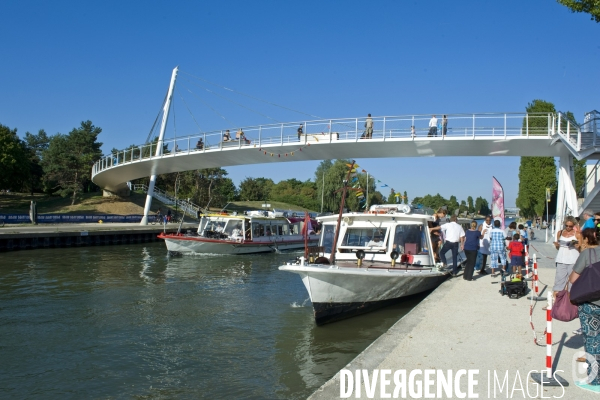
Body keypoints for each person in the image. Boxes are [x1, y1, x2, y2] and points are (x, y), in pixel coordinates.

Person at [568, 228, 600, 392]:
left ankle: (595, 381)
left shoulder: (589, 254)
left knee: (593, 341)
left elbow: (573, 278)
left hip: (591, 303)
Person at [552, 216, 579, 298]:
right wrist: (557, 245)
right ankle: (556, 302)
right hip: (561, 259)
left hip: (573, 260)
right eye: (566, 225)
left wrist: (575, 244)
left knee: (572, 282)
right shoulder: (560, 233)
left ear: (574, 225)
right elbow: (558, 248)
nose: (568, 228)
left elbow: (581, 247)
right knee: (559, 282)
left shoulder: (577, 234)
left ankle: (570, 302)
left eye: (570, 226)